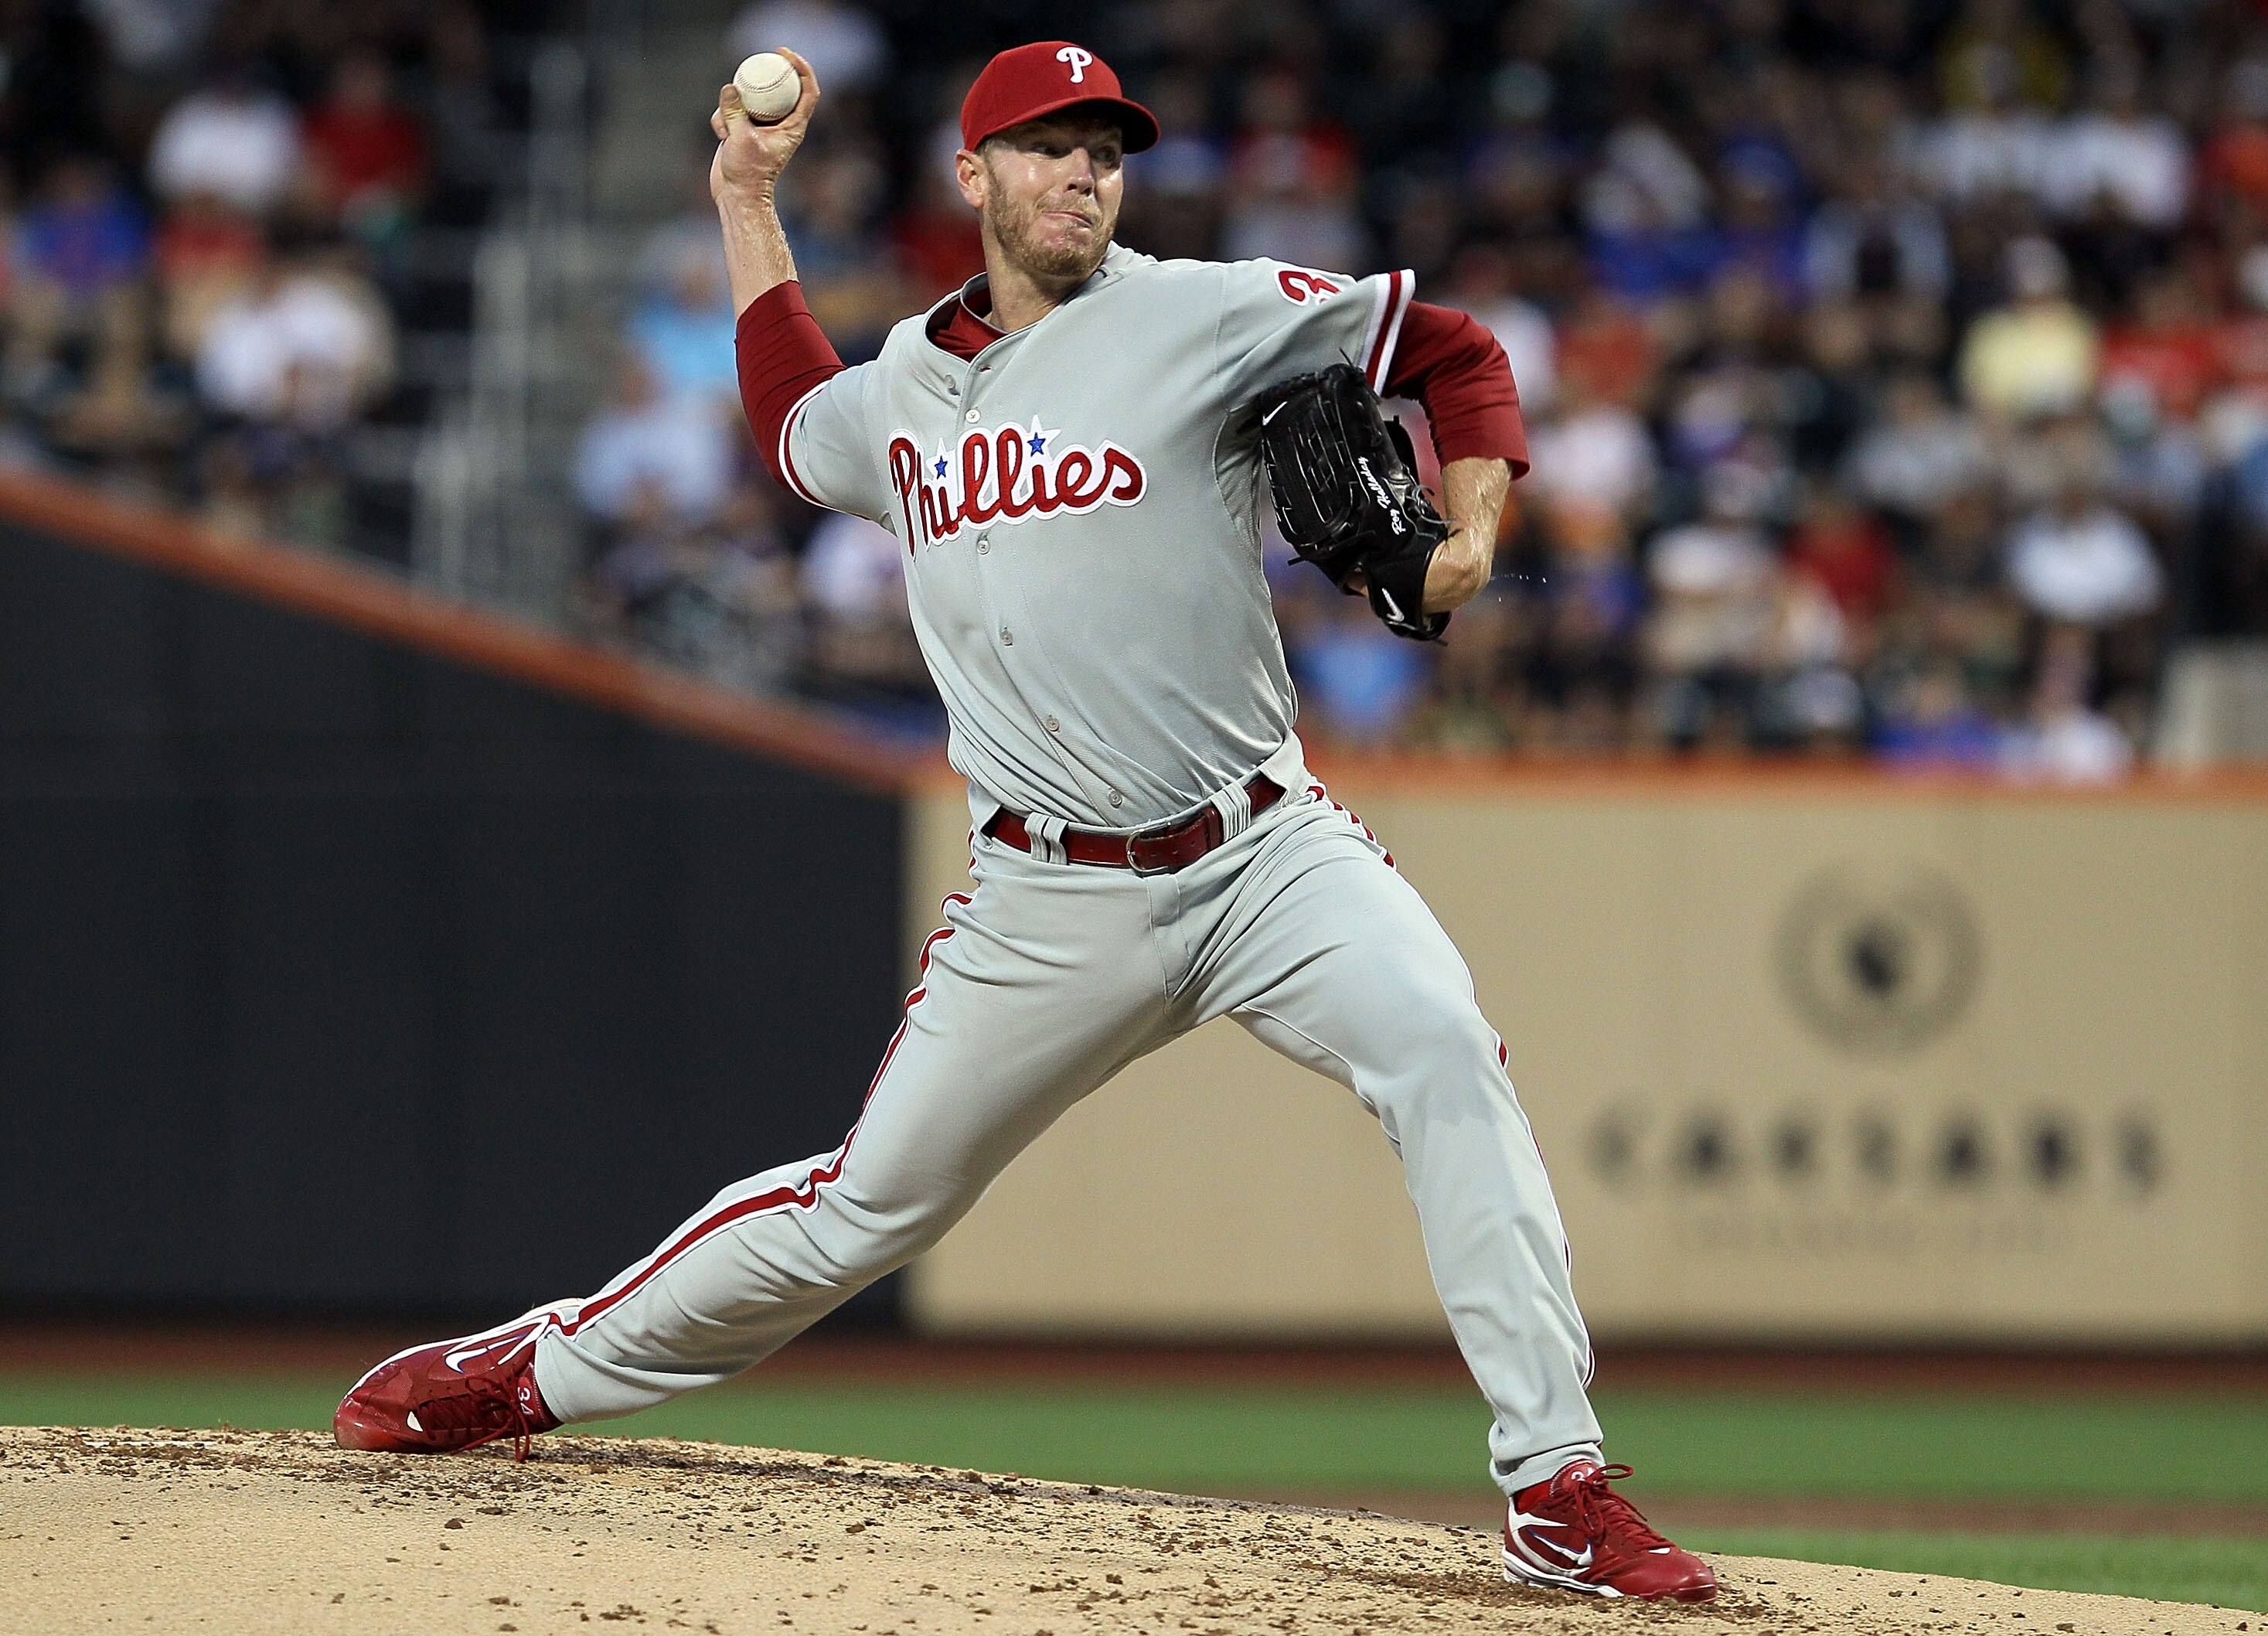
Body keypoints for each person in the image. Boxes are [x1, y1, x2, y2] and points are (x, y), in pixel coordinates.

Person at [331, 41, 1718, 1606]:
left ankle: (1557, 1481)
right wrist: (743, 203)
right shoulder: (912, 381)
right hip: (1044, 898)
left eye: (1103, 152)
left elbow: (1454, 347)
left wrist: (1467, 535)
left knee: (1445, 1051)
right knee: (866, 1205)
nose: (1082, 175)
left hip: (1266, 848)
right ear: (972, 177)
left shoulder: (1202, 310)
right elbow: (798, 419)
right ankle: (539, 1369)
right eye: (1048, 148)